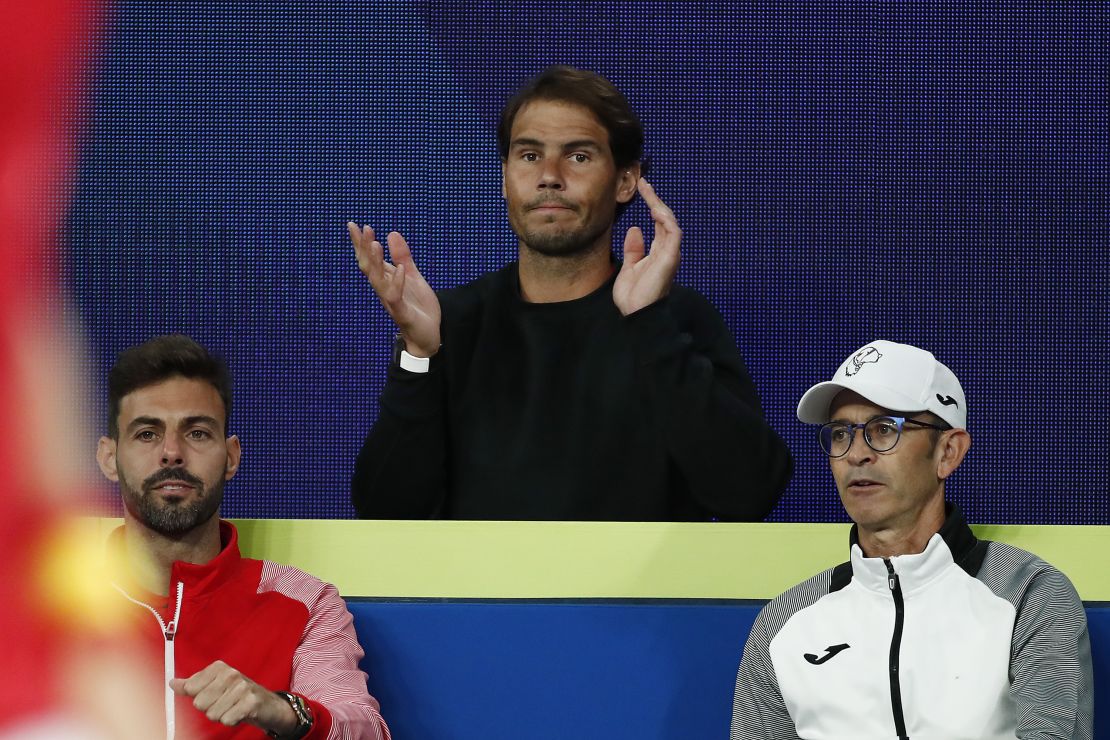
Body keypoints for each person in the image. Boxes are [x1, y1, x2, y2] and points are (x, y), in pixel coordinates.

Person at [347, 65, 792, 521]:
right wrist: (419, 357)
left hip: (646, 595)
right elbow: (385, 513)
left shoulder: (674, 318)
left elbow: (750, 492)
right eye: (528, 156)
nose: (549, 177)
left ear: (625, 182)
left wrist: (650, 326)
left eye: (578, 156)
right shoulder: (449, 323)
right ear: (505, 178)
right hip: (478, 594)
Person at [730, 340, 1092, 739]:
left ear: (948, 452)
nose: (856, 455)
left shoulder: (1028, 594)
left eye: (883, 430)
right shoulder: (783, 625)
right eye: (840, 434)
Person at [96, 335, 391, 740]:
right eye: (146, 433)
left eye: (197, 432)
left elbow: (366, 729)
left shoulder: (306, 601)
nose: (171, 453)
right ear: (109, 458)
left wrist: (284, 710)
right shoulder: (40, 606)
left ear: (231, 456)